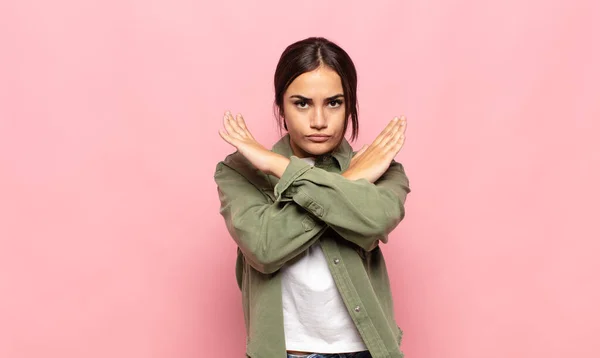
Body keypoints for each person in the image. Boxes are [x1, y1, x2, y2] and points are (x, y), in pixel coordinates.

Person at [214, 37, 410, 358]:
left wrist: (277, 165)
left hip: (366, 350)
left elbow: (375, 222)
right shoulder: (240, 172)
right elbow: (264, 248)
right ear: (281, 106)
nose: (319, 121)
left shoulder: (382, 167)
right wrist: (349, 182)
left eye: (334, 102)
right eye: (301, 103)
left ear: (350, 105)